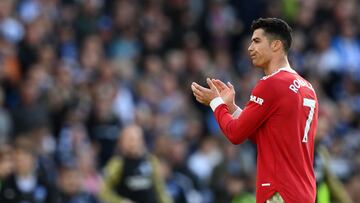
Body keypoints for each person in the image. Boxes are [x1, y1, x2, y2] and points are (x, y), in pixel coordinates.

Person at [191, 18, 318, 203]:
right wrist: (231, 108)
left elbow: (235, 134)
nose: (250, 48)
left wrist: (215, 103)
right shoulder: (308, 87)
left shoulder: (272, 84)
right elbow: (267, 136)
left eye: (257, 41)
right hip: (304, 191)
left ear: (276, 45)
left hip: (279, 191)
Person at [99, 124, 172, 203]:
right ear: (122, 142)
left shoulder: (151, 161)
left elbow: (161, 191)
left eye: (136, 139)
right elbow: (103, 193)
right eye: (129, 139)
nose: (133, 143)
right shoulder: (117, 164)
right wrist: (121, 201)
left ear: (142, 141)